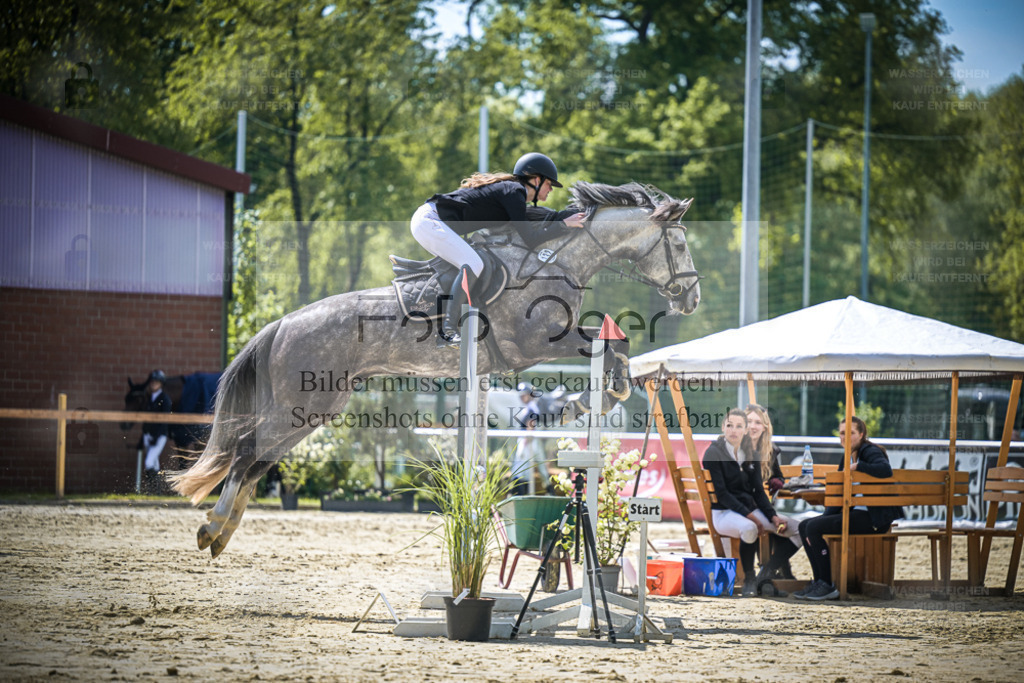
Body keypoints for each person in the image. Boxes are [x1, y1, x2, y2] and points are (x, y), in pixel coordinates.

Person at [411, 152, 586, 344]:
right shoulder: (514, 191)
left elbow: (539, 217)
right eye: (549, 184)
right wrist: (563, 225)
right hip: (430, 222)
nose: (551, 189)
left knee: (470, 263)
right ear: (536, 180)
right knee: (473, 263)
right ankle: (448, 331)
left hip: (430, 221)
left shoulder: (512, 193)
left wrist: (565, 218)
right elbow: (531, 239)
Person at [794, 416, 904, 601]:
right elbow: (837, 495)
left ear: (861, 434)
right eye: (842, 433)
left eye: (851, 433)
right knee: (805, 526)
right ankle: (820, 582)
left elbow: (885, 469)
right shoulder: (847, 455)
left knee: (813, 528)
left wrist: (858, 466)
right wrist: (823, 518)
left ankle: (828, 586)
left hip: (874, 519)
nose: (845, 437)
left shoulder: (869, 450)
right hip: (857, 514)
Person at [704, 409, 802, 597]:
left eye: (739, 426)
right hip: (724, 513)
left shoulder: (752, 453)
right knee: (750, 528)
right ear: (723, 427)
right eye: (729, 425)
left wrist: (772, 516)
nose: (733, 430)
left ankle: (766, 573)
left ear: (745, 430)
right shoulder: (713, 452)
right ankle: (750, 578)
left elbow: (758, 491)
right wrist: (754, 518)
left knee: (799, 528)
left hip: (749, 511)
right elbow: (723, 495)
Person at [746, 403, 795, 580]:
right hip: (746, 507)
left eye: (757, 422)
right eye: (749, 421)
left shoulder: (770, 450)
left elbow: (780, 477)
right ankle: (774, 570)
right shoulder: (738, 448)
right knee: (778, 524)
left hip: (763, 505)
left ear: (765, 427)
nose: (752, 426)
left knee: (781, 525)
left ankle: (775, 570)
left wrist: (777, 481)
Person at [140, 369, 172, 492]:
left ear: (161, 384)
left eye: (156, 382)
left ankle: (152, 489)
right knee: (154, 463)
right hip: (148, 434)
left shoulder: (165, 399)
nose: (154, 384)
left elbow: (164, 420)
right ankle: (156, 490)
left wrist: (157, 435)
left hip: (159, 436)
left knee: (148, 462)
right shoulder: (149, 398)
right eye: (152, 382)